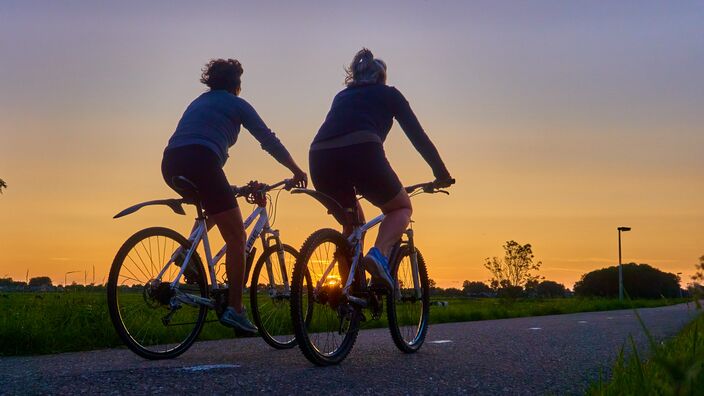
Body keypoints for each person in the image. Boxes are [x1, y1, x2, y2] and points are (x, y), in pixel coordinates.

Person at [162, 58, 307, 333]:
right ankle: (235, 309)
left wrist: (232, 190)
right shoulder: (237, 104)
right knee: (238, 237)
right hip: (202, 162)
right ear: (237, 84)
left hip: (170, 163)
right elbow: (268, 139)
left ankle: (186, 253)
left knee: (213, 204)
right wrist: (295, 169)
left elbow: (195, 141)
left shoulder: (198, 102)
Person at [309, 48, 454, 289]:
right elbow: (418, 136)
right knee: (401, 207)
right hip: (362, 152)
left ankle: (347, 293)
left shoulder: (342, 96)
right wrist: (441, 173)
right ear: (381, 78)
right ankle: (379, 254)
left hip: (319, 157)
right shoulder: (389, 94)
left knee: (352, 223)